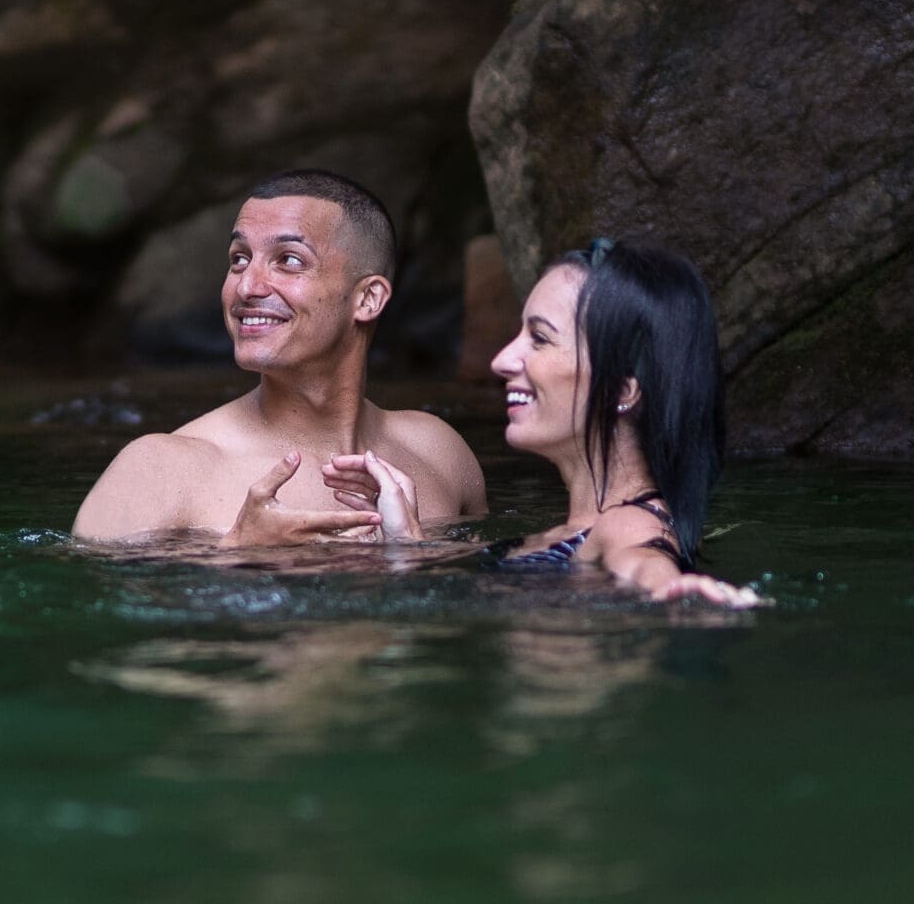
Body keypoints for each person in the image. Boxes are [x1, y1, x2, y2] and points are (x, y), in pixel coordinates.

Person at [335, 236, 760, 607]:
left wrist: (670, 593)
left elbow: (644, 564)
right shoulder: (581, 530)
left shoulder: (630, 524)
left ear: (622, 391)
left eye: (539, 338)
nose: (502, 361)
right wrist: (409, 546)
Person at [72, 170, 489, 543]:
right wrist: (236, 551)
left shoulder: (440, 454)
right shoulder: (158, 470)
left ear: (368, 299)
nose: (248, 286)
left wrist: (410, 555)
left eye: (288, 260)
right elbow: (82, 617)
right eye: (239, 259)